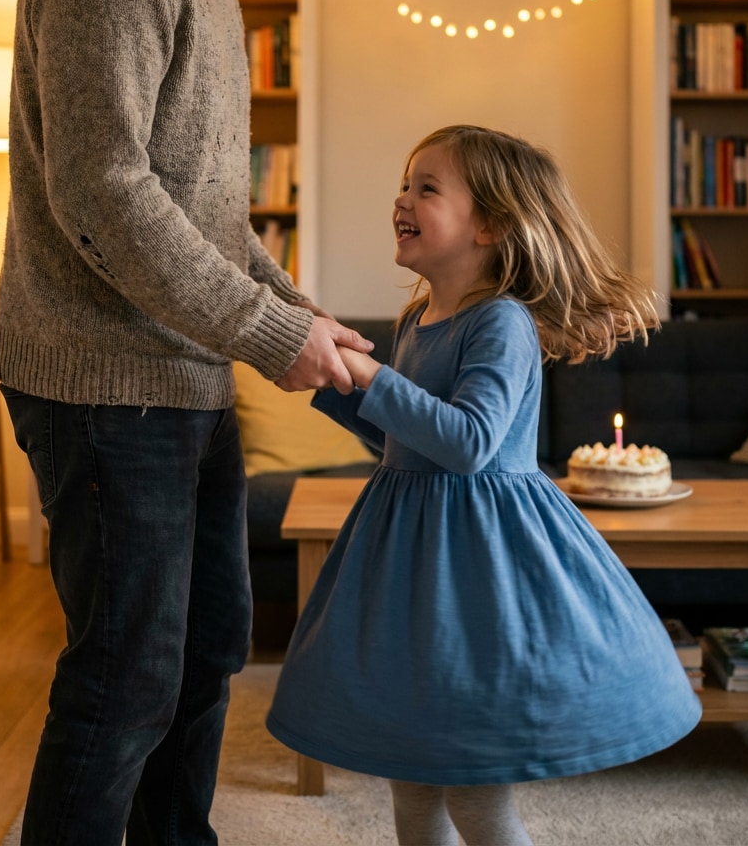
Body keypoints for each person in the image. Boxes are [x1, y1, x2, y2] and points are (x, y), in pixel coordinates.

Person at [0, 0, 389, 846]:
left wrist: (295, 313)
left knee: (209, 648)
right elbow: (105, 191)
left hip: (183, 376)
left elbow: (205, 215)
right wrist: (266, 330)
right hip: (102, 383)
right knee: (125, 680)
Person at [267, 125, 702, 846]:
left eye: (427, 188)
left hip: (480, 566)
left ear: (491, 225)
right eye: (404, 185)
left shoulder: (502, 321)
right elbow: (406, 439)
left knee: (475, 793)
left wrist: (373, 375)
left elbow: (469, 443)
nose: (402, 200)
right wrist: (339, 381)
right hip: (410, 559)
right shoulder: (417, 319)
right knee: (412, 780)